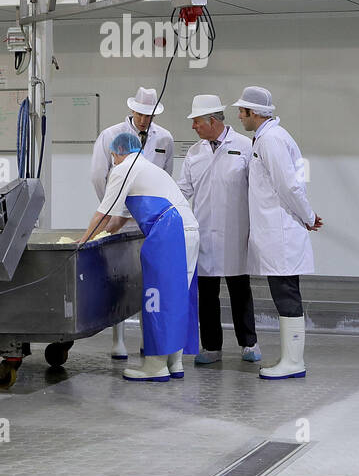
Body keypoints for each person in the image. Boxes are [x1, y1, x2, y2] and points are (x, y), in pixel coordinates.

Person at [81, 132, 200, 382]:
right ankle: (174, 362)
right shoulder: (145, 167)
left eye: (113, 157)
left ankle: (154, 366)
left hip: (169, 230)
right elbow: (118, 219)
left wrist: (82, 243)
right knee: (178, 295)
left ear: (116, 154)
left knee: (157, 296)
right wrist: (100, 233)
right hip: (188, 229)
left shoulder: (124, 168)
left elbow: (103, 214)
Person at [233, 86, 322, 379]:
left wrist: (308, 217)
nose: (239, 116)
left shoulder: (271, 140)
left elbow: (289, 186)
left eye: (242, 111)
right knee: (284, 294)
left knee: (286, 295)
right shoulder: (266, 138)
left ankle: (294, 362)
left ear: (255, 113)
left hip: (281, 232)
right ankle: (290, 359)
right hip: (276, 232)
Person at [91, 86, 175, 360]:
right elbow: (97, 175)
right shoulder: (110, 135)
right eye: (139, 114)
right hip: (118, 216)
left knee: (147, 280)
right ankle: (118, 341)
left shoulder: (165, 138)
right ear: (132, 110)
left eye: (148, 116)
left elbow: (166, 176)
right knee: (119, 279)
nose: (143, 120)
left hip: (150, 221)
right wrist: (114, 210)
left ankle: (148, 339)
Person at [178, 94, 260, 365]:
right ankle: (212, 346)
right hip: (204, 233)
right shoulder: (194, 153)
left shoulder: (245, 147)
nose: (193, 127)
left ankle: (249, 343)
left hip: (236, 232)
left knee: (240, 290)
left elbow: (258, 190)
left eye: (197, 122)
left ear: (212, 121)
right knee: (207, 293)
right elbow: (183, 191)